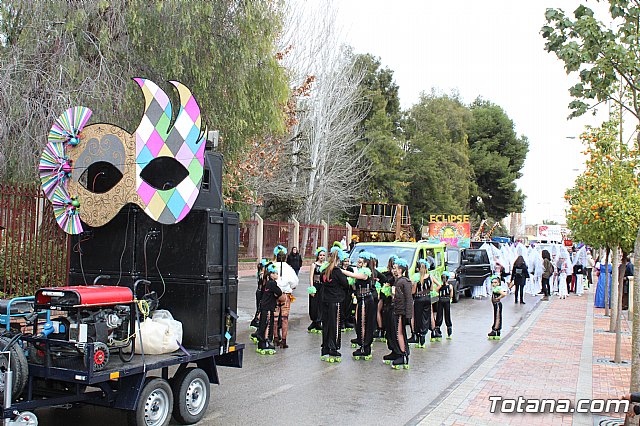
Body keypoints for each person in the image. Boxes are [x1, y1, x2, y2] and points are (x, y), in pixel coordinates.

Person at [319, 247, 350, 362]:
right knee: (335, 324)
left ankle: (325, 348)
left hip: (325, 300)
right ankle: (333, 348)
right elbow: (345, 284)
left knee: (326, 324)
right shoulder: (337, 271)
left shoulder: (325, 270)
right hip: (335, 301)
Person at [346, 251, 376, 360]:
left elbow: (354, 275)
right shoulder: (359, 273)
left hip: (366, 300)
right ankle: (362, 344)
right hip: (360, 299)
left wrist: (341, 271)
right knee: (358, 321)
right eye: (357, 262)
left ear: (365, 264)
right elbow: (354, 285)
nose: (358, 264)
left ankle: (365, 347)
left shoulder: (365, 272)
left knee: (364, 322)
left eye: (360, 262)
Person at [384, 257, 412, 369]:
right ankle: (397, 352)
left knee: (399, 333)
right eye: (393, 268)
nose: (393, 270)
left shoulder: (404, 282)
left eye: (396, 268)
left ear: (401, 270)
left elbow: (409, 299)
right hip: (395, 310)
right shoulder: (397, 281)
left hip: (400, 312)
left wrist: (409, 315)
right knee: (395, 332)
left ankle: (403, 354)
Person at [273, 245, 299, 349]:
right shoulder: (289, 268)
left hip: (274, 294)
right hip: (286, 294)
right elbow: (295, 282)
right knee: (284, 318)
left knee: (275, 318)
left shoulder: (272, 266)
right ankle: (283, 340)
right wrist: (291, 288)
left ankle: (275, 337)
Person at [256, 263, 282, 355]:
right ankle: (265, 341)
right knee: (267, 324)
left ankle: (262, 342)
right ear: (270, 274)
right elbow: (279, 292)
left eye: (277, 273)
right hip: (268, 307)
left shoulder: (267, 283)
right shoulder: (272, 283)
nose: (276, 275)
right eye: (274, 273)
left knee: (264, 323)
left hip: (265, 307)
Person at [411, 259, 433, 348]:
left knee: (418, 317)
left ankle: (418, 336)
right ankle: (424, 334)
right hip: (427, 298)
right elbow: (431, 288)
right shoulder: (429, 276)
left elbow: (413, 291)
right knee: (426, 317)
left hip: (419, 299)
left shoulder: (417, 278)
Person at [307, 247, 326, 333]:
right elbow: (311, 277)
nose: (322, 257)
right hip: (315, 285)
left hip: (323, 286)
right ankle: (314, 321)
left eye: (323, 255)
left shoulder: (326, 265)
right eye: (320, 255)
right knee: (313, 303)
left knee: (321, 303)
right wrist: (312, 288)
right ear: (318, 256)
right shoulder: (314, 265)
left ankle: (319, 321)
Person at [435, 272, 454, 339]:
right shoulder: (450, 286)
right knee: (447, 315)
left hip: (440, 300)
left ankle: (437, 329)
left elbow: (436, 290)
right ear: (447, 279)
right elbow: (451, 295)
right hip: (447, 301)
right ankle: (449, 333)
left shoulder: (440, 286)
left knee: (439, 315)